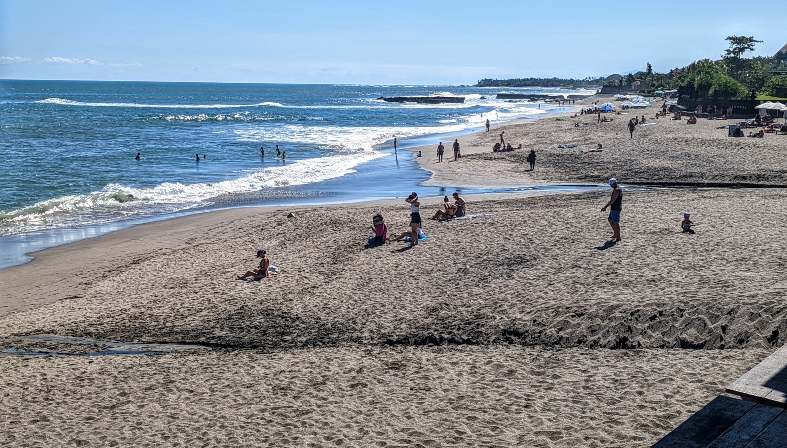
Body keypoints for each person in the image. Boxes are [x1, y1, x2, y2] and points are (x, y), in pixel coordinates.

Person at [601, 178, 622, 242]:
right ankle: (615, 234)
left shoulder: (617, 190)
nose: (610, 185)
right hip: (614, 207)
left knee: (615, 222)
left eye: (611, 184)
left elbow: (612, 200)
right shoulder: (617, 189)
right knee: (610, 219)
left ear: (613, 184)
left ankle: (618, 237)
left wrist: (605, 207)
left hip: (616, 208)